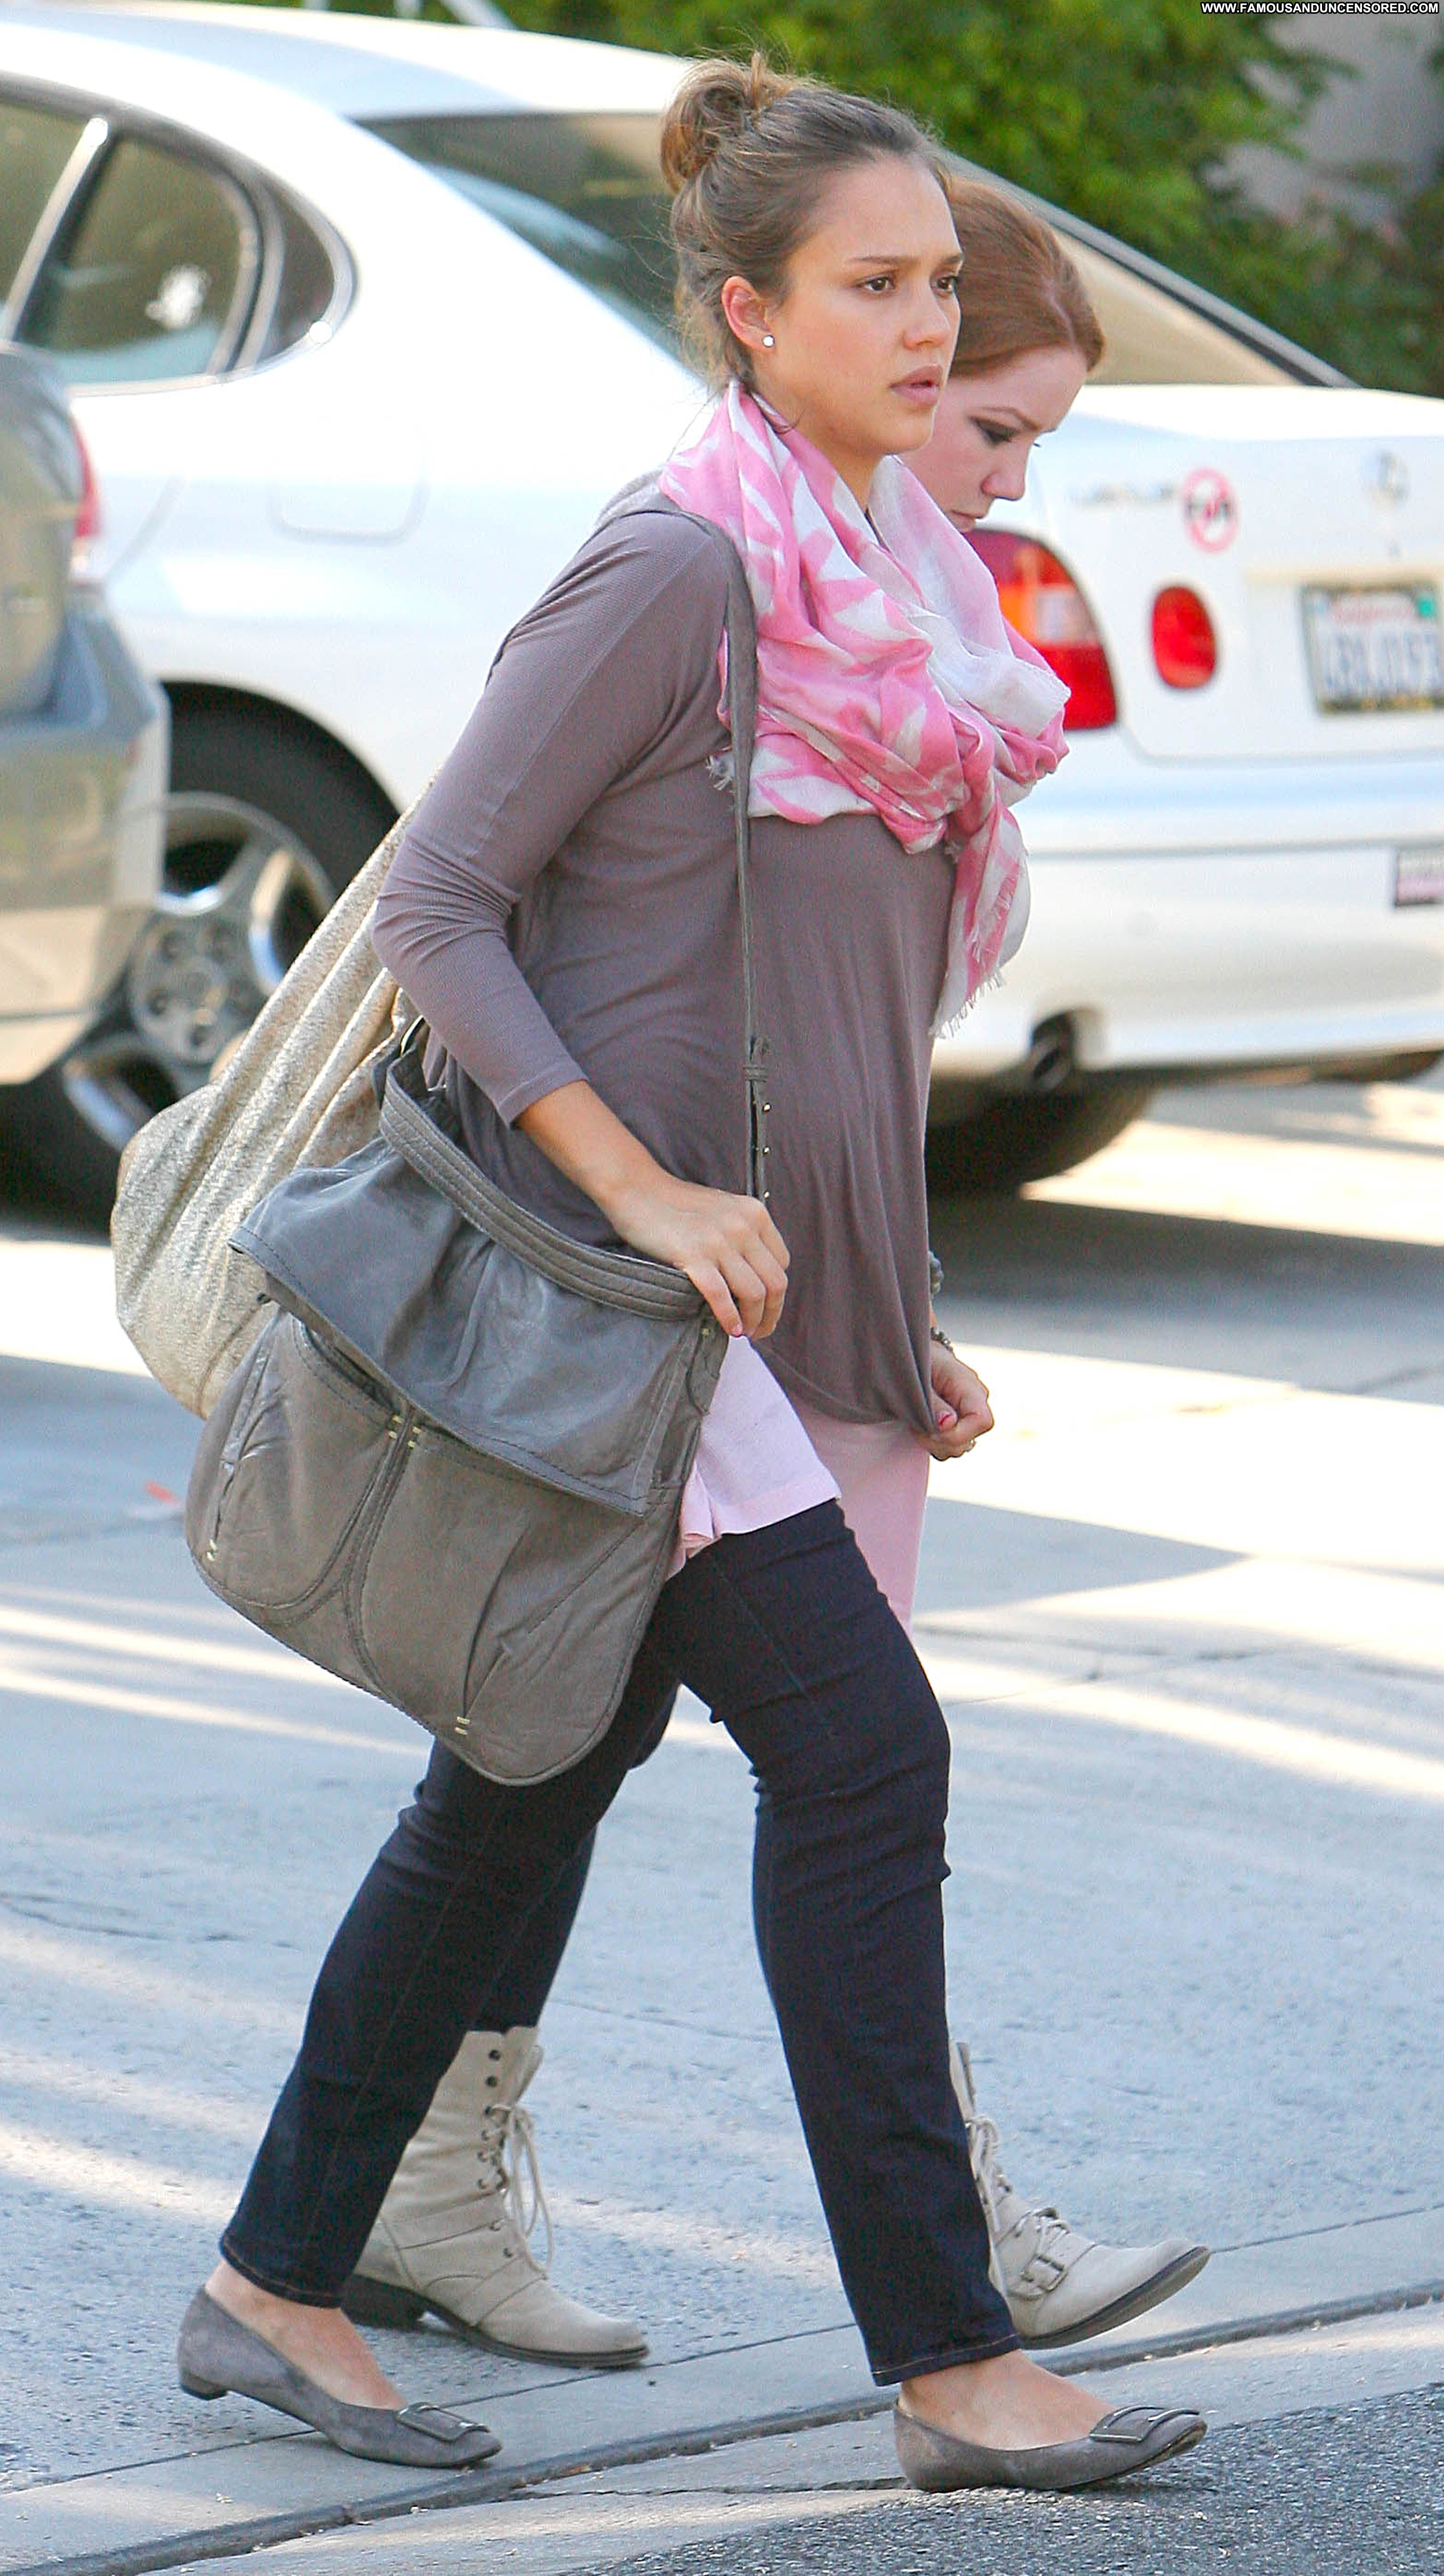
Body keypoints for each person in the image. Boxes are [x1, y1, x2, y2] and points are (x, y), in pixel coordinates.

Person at [176, 60, 1206, 2494]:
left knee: (530, 1773)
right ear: (747, 313)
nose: (924, 324)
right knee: (860, 1758)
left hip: (788, 1296)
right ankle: (950, 2358)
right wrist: (635, 1189)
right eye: (871, 285)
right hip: (626, 1302)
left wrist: (893, 1303)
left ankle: (274, 2277)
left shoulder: (909, 593)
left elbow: (834, 1010)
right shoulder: (677, 570)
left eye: (937, 278)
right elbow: (437, 904)